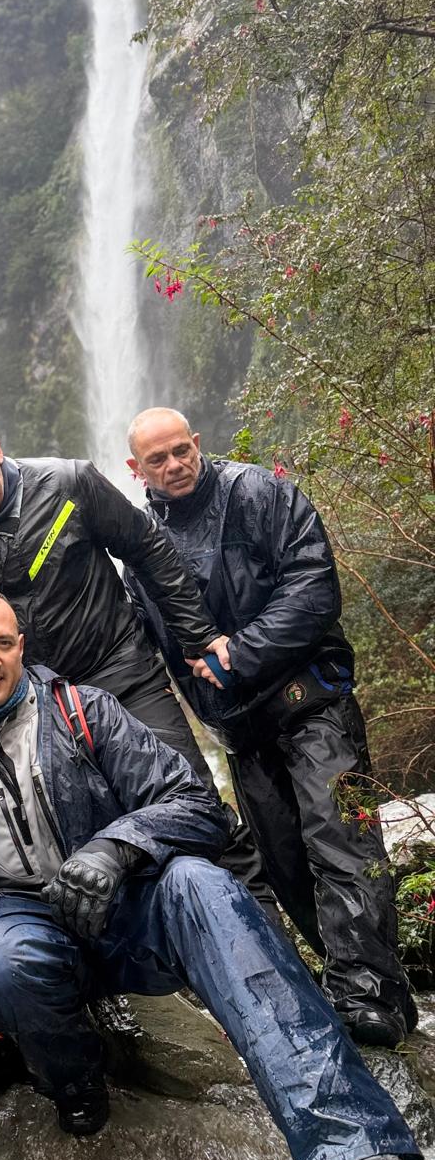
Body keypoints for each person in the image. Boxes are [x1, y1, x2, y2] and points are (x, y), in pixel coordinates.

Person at [0, 588, 435, 1160]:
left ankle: (363, 1157)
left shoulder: (85, 711)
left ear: (21, 645)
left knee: (202, 884)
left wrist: (117, 847)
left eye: (3, 642)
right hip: (19, 924)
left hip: (122, 910)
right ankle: (74, 1078)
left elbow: (196, 805)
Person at [124, 406, 415, 1048]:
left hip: (313, 699)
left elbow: (315, 588)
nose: (175, 465)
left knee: (341, 837)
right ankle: (359, 985)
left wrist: (239, 651)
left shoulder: (258, 493)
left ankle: (372, 995)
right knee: (285, 865)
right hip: (240, 729)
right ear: (135, 468)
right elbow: (136, 644)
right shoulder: (141, 548)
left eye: (181, 450)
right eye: (158, 459)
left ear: (197, 443)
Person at [0, 408, 220, 790]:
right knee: (93, 820)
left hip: (123, 676)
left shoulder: (68, 482)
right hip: (33, 711)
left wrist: (199, 636)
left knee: (189, 793)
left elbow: (148, 548)